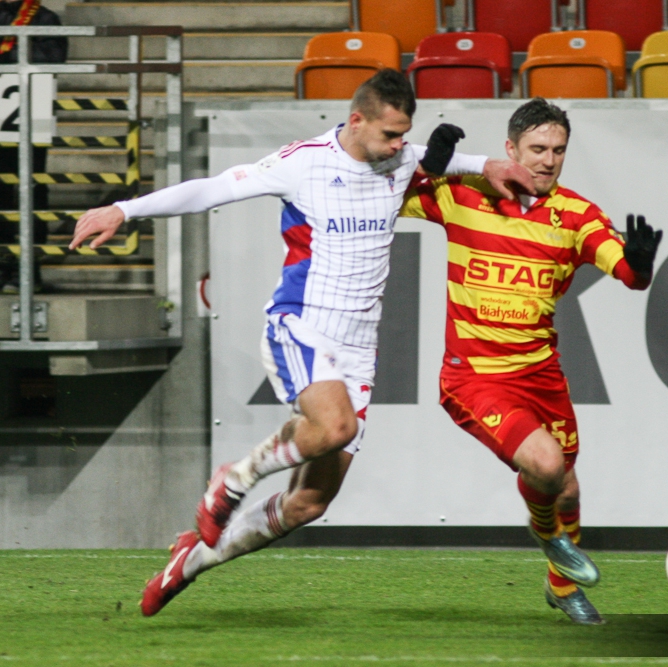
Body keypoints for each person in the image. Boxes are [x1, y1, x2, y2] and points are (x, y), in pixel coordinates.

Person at [69, 69, 534, 617]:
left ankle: (190, 562)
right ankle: (234, 478)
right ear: (356, 120)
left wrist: (492, 164)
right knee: (337, 428)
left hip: (358, 348)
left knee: (307, 504)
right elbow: (213, 189)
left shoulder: (401, 157)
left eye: (404, 135)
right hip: (303, 324)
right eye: (390, 134)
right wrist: (124, 210)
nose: (399, 146)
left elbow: (454, 162)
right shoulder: (303, 163)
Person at [399, 98, 662, 625]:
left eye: (558, 150)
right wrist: (427, 167)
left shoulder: (576, 216)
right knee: (545, 465)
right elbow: (384, 195)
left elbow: (629, 275)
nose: (548, 160)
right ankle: (546, 536)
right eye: (538, 148)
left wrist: (640, 265)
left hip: (541, 374)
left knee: (566, 486)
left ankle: (562, 588)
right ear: (510, 149)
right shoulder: (463, 194)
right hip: (474, 376)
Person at [0, 0, 68, 292]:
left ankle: (29, 266)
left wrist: (11, 53)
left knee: (32, 188)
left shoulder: (44, 17)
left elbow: (52, 59)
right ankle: (3, 263)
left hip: (30, 108)